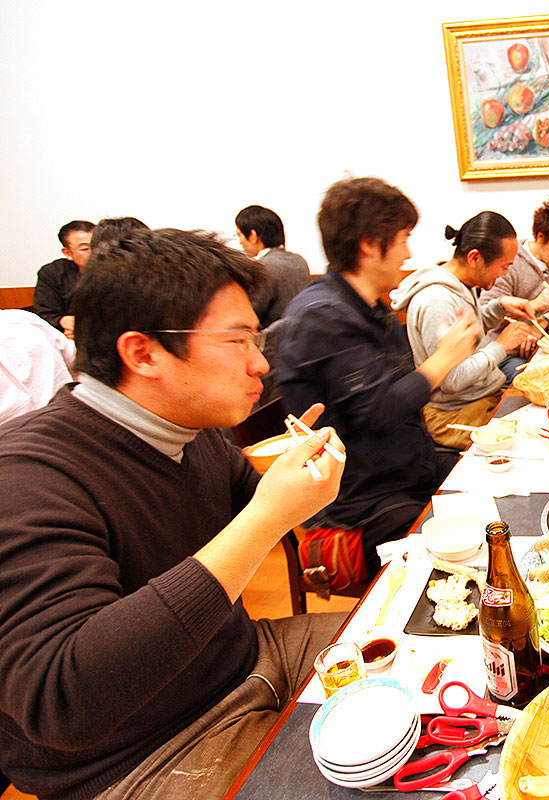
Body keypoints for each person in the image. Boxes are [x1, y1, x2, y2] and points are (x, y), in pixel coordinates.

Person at [0, 228, 347, 800]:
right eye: (238, 341)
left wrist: (299, 474)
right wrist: (267, 516)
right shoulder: (28, 476)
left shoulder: (190, 429)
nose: (260, 363)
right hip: (140, 755)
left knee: (435, 649)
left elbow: (247, 503)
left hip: (246, 662)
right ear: (143, 353)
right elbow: (62, 702)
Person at [273, 178, 479, 576]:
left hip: (405, 474)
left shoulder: (367, 307)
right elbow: (378, 411)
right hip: (363, 503)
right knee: (470, 558)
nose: (408, 253)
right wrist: (444, 359)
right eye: (403, 240)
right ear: (370, 244)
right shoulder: (322, 316)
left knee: (494, 485)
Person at [392, 212, 538, 450]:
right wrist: (501, 345)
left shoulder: (461, 284)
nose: (505, 274)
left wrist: (499, 306)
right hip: (455, 415)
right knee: (534, 442)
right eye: (504, 266)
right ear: (475, 258)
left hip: (481, 398)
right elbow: (451, 379)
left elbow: (470, 335)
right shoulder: (436, 300)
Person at [479, 196, 549, 381]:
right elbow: (487, 318)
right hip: (510, 352)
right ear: (540, 237)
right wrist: (534, 305)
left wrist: (545, 320)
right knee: (538, 381)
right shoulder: (509, 261)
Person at [234, 205, 312, 328]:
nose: (239, 242)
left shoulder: (262, 267)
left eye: (239, 235)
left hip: (273, 337)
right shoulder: (299, 261)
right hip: (303, 332)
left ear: (253, 236)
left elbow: (250, 313)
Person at [0, 309, 74, 424]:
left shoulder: (21, 318)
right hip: (70, 416)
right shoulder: (22, 318)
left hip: (61, 416)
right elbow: (73, 358)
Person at [33, 219, 94, 337]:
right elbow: (45, 314)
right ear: (68, 253)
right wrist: (63, 321)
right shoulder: (52, 273)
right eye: (85, 249)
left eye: (98, 245)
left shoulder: (118, 269)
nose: (95, 252)